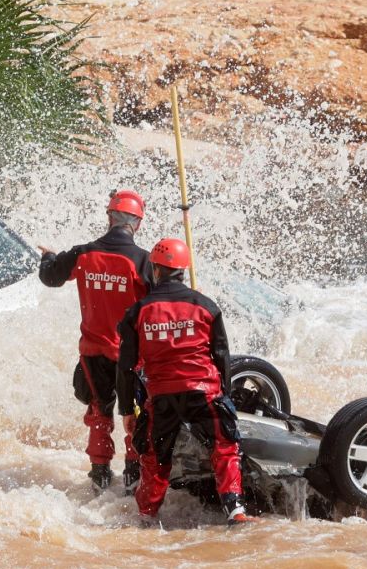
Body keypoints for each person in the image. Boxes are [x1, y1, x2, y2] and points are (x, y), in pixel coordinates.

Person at [117, 238, 257, 527]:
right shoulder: (207, 306)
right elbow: (222, 358)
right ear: (184, 270)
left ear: (155, 271)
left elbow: (127, 368)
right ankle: (235, 509)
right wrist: (226, 400)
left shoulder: (136, 312)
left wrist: (127, 411)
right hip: (204, 392)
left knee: (154, 458)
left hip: (161, 398)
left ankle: (146, 517)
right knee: (225, 446)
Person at [38, 189, 154, 491]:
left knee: (98, 411)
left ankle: (100, 475)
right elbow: (161, 303)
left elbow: (50, 277)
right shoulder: (143, 261)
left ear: (109, 217)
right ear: (137, 224)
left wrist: (49, 257)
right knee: (135, 413)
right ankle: (133, 475)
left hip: (92, 352)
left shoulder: (84, 254)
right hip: (130, 356)